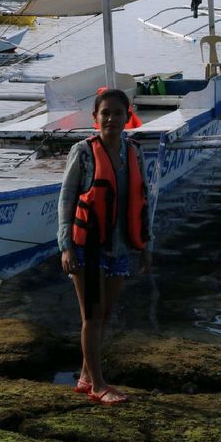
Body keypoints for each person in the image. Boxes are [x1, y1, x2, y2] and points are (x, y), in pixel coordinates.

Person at [58, 88, 153, 406]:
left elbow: (143, 201)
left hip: (121, 246)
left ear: (128, 116)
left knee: (106, 314)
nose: (112, 118)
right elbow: (67, 199)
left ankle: (86, 376)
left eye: (118, 113)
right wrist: (66, 246)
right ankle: (98, 384)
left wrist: (145, 246)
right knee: (92, 316)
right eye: (105, 113)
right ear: (95, 118)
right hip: (88, 247)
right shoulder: (83, 151)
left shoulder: (135, 152)